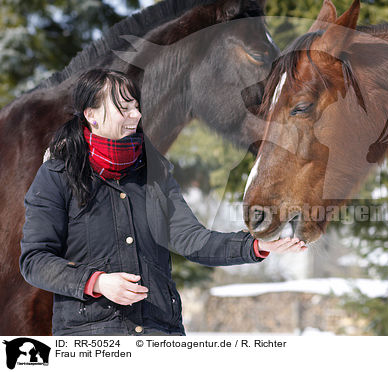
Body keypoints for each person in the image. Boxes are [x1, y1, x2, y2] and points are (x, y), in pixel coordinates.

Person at [20, 68, 305, 336]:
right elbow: (35, 260)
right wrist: (96, 282)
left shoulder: (153, 173)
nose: (136, 114)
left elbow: (192, 239)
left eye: (135, 106)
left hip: (160, 334)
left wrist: (255, 246)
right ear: (91, 115)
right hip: (92, 340)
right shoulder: (58, 176)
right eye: (124, 108)